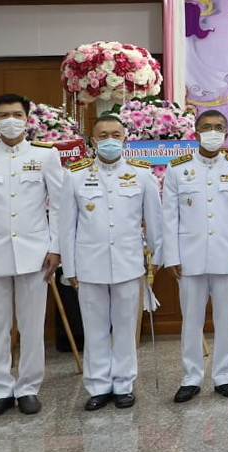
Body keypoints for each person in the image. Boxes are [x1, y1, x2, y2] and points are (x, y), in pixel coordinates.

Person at [0, 94, 65, 419]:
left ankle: (28, 388)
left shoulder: (46, 156)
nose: (11, 120)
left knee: (32, 324)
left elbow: (59, 205)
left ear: (27, 119)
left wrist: (55, 246)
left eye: (17, 114)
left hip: (34, 253)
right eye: (4, 114)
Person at [60, 115, 163, 411]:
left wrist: (156, 258)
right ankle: (98, 385)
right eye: (102, 134)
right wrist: (70, 269)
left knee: (124, 325)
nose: (108, 139)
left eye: (115, 134)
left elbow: (153, 222)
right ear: (92, 141)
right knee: (94, 327)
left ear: (124, 138)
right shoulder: (75, 175)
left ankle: (124, 384)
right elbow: (67, 226)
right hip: (88, 264)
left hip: (128, 262)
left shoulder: (142, 175)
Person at [161, 109, 228, 403]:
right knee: (191, 321)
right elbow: (169, 218)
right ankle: (191, 377)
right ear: (196, 131)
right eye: (206, 126)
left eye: (218, 127)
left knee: (226, 320)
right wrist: (172, 256)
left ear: (226, 133)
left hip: (226, 256)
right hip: (189, 257)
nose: (212, 131)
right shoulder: (177, 169)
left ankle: (225, 376)